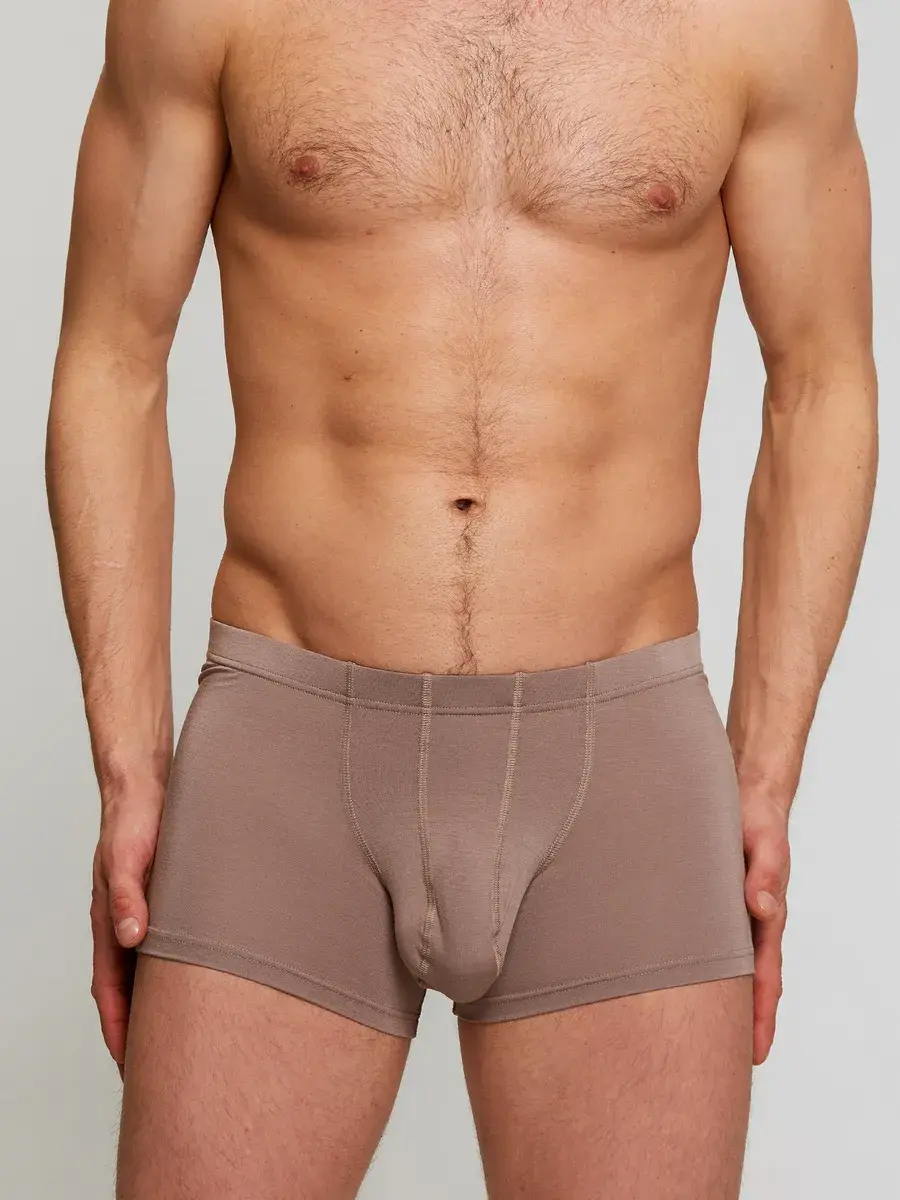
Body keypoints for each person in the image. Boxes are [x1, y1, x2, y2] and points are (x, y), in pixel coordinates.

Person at [46, 0, 876, 1196]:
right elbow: (112, 357)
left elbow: (823, 382)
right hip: (283, 761)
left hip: (624, 771)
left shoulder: (764, 16)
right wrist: (129, 767)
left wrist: (766, 771)